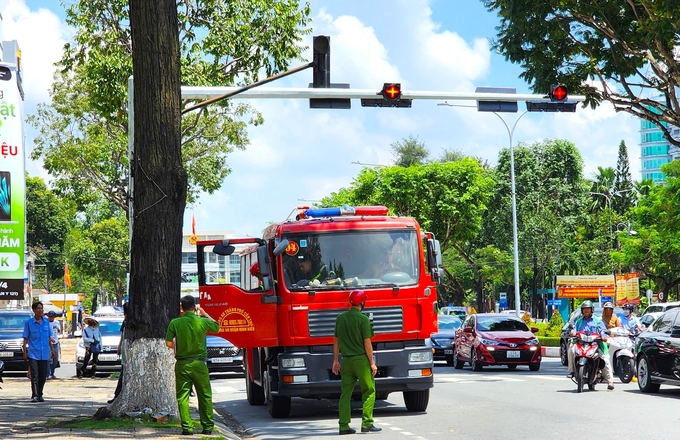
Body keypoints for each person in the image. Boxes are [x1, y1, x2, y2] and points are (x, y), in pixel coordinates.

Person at [165, 295, 220, 436]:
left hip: (182, 364)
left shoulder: (175, 323)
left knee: (182, 396)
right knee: (205, 395)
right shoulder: (201, 321)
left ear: (181, 308)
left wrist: (177, 350)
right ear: (195, 307)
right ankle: (207, 427)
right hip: (200, 364)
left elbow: (168, 343)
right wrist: (204, 313)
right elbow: (217, 327)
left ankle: (187, 428)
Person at [332, 290, 381, 435]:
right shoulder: (363, 319)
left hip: (346, 360)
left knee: (345, 393)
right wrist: (371, 363)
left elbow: (336, 341)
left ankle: (343, 426)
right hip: (360, 360)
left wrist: (335, 360)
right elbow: (367, 343)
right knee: (369, 390)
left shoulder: (341, 318)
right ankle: (367, 423)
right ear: (362, 302)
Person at [566, 300, 615, 390]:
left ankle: (610, 381)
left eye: (588, 309)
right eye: (584, 309)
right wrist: (573, 333)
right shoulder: (579, 321)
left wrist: (604, 336)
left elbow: (603, 331)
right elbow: (574, 330)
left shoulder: (597, 321)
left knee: (605, 358)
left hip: (595, 344)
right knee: (571, 350)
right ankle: (572, 371)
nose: (586, 310)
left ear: (591, 309)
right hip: (581, 343)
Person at [22, 301, 54, 402]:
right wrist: (25, 352)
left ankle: (40, 394)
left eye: (41, 308)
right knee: (35, 375)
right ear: (34, 310)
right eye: (38, 308)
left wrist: (52, 350)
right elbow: (25, 338)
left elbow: (49, 337)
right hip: (33, 353)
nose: (40, 310)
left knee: (43, 375)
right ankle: (34, 395)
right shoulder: (28, 323)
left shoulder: (46, 322)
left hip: (44, 353)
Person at [108, 303, 128, 403]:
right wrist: (119, 346)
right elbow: (122, 335)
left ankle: (117, 394)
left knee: (123, 373)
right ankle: (117, 395)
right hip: (125, 348)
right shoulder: (125, 322)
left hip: (127, 350)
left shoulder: (129, 322)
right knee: (123, 372)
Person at [46, 311, 61, 380]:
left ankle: (52, 373)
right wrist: (50, 338)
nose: (51, 318)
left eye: (52, 317)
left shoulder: (57, 322)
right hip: (48, 343)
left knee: (55, 359)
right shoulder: (45, 323)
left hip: (55, 342)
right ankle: (48, 374)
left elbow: (59, 330)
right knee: (49, 359)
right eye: (50, 317)